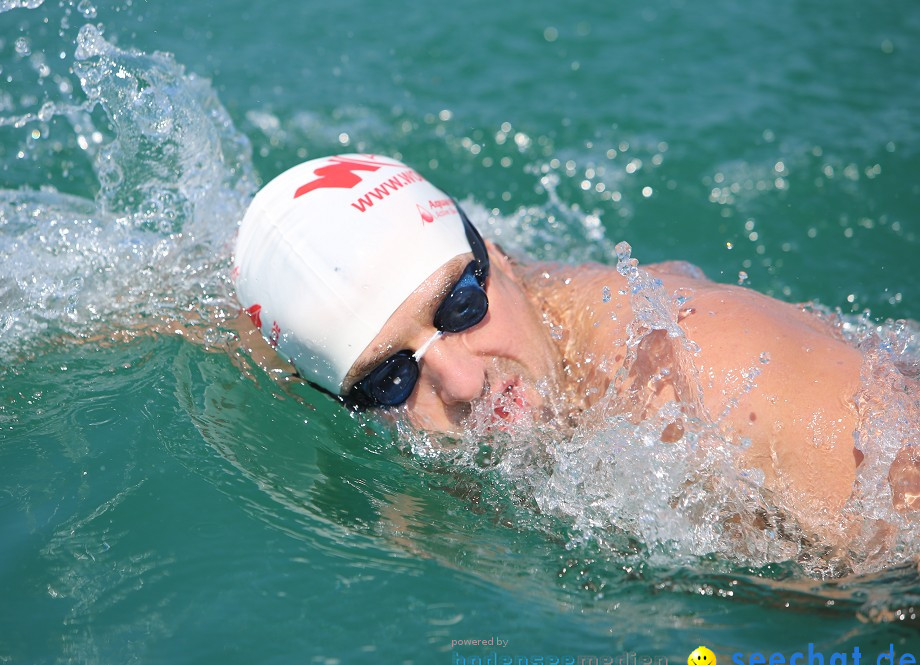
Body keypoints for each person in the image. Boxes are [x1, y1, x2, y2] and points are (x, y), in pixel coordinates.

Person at [233, 154, 918, 542]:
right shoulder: (509, 325)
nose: (463, 383)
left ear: (495, 254)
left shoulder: (705, 376)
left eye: (460, 307)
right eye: (389, 379)